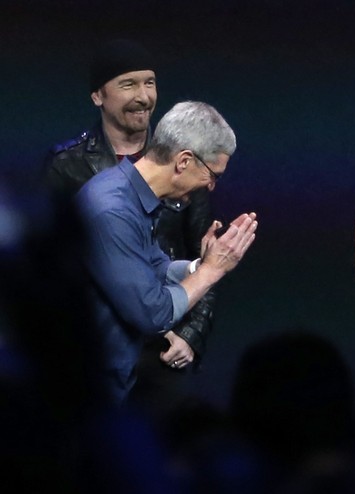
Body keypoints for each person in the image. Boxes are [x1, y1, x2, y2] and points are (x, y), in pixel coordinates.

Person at [42, 38, 218, 417]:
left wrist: (191, 335)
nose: (143, 96)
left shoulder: (184, 161)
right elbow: (54, 266)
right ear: (97, 96)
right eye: (129, 84)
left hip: (168, 340)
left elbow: (207, 256)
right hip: (103, 342)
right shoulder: (67, 165)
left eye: (150, 83)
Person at [75, 100, 257, 406]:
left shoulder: (132, 196)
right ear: (184, 161)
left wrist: (201, 263)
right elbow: (153, 313)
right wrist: (213, 270)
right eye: (213, 175)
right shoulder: (113, 210)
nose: (211, 187)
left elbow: (156, 267)